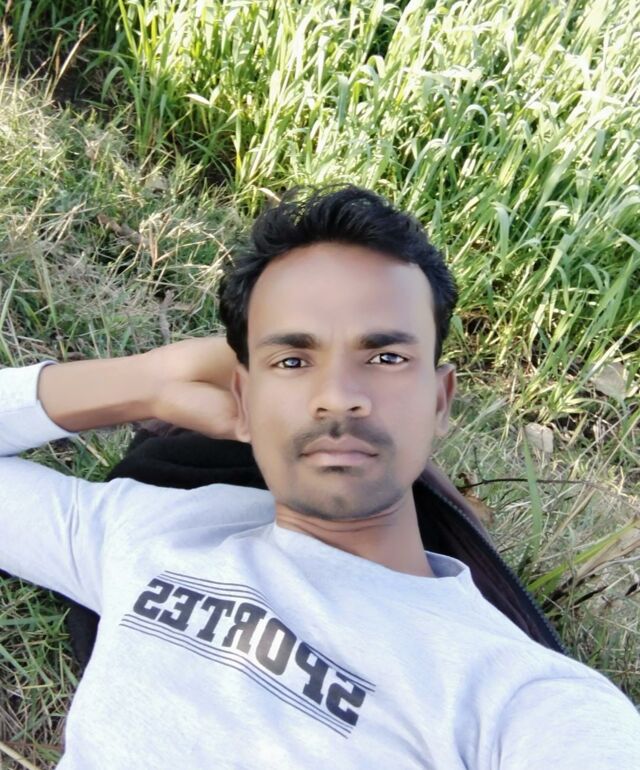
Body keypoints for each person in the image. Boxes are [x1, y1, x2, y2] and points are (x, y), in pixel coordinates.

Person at [0, 185, 638, 768]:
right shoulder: (151, 531)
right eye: (292, 360)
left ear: (440, 401)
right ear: (243, 397)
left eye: (385, 357)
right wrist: (149, 379)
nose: (338, 396)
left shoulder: (523, 698)